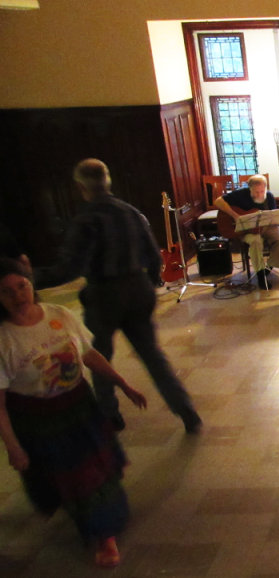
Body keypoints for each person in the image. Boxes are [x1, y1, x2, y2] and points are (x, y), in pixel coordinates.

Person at [35, 159, 202, 434]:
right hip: (138, 289)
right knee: (152, 355)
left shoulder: (86, 219)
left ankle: (110, 416)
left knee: (100, 356)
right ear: (107, 181)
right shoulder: (132, 213)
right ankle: (187, 412)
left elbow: (69, 268)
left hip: (104, 294)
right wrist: (148, 284)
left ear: (80, 187)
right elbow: (154, 256)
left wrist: (31, 278)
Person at [0, 257, 147, 568]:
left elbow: (88, 354)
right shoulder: (3, 339)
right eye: (6, 292)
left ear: (31, 284)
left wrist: (123, 384)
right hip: (38, 420)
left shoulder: (59, 315)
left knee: (91, 473)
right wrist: (12, 446)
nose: (17, 296)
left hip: (79, 407)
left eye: (21, 286)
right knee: (62, 477)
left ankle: (104, 534)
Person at [214, 174, 279, 290]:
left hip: (266, 227)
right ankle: (260, 276)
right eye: (256, 192)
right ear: (250, 189)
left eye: (262, 191)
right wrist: (235, 215)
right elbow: (218, 201)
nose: (260, 194)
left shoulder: (269, 197)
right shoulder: (240, 194)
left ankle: (268, 269)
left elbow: (273, 218)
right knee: (256, 241)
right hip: (246, 230)